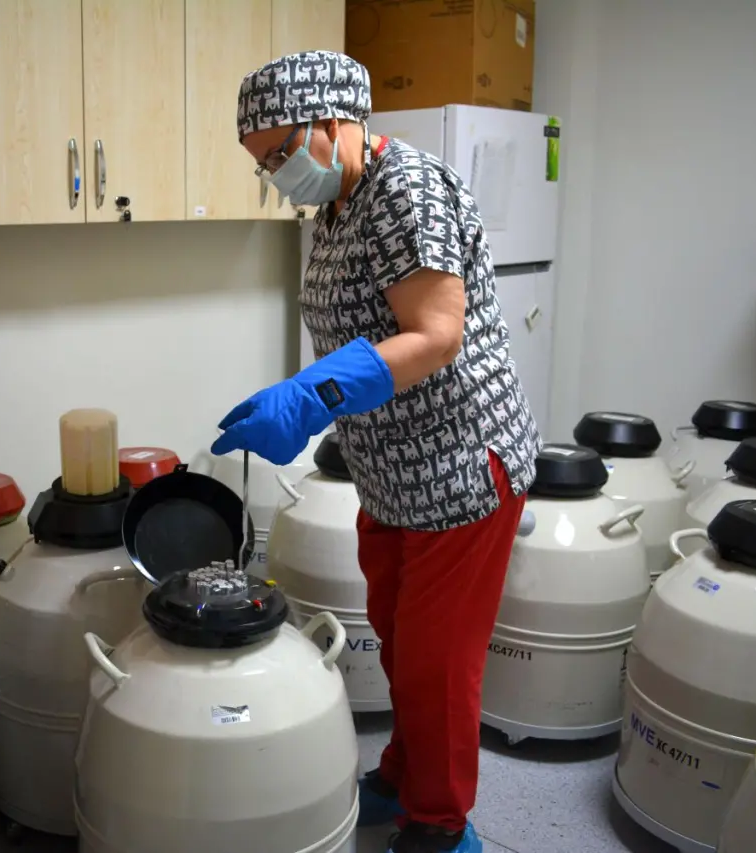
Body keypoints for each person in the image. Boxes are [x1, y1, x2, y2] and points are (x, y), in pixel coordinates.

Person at [216, 51, 543, 853]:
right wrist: (310, 395)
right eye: (262, 163)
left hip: (462, 466)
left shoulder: (407, 190)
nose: (276, 174)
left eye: (280, 153)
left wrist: (309, 395)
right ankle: (403, 771)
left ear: (333, 122)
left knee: (438, 663)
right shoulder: (338, 203)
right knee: (400, 640)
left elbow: (435, 337)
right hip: (393, 471)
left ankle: (440, 824)